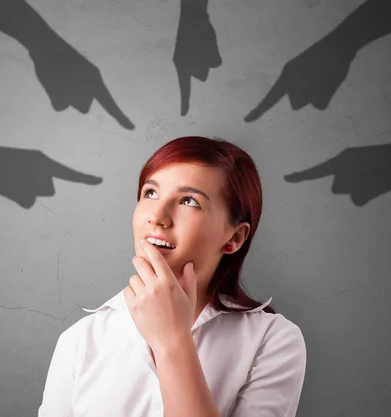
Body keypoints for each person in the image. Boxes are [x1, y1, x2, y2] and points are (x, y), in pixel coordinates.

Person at [38, 136, 307, 417]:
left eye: (189, 201)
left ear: (234, 237)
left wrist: (173, 340)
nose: (157, 217)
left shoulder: (271, 340)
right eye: (150, 193)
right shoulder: (82, 339)